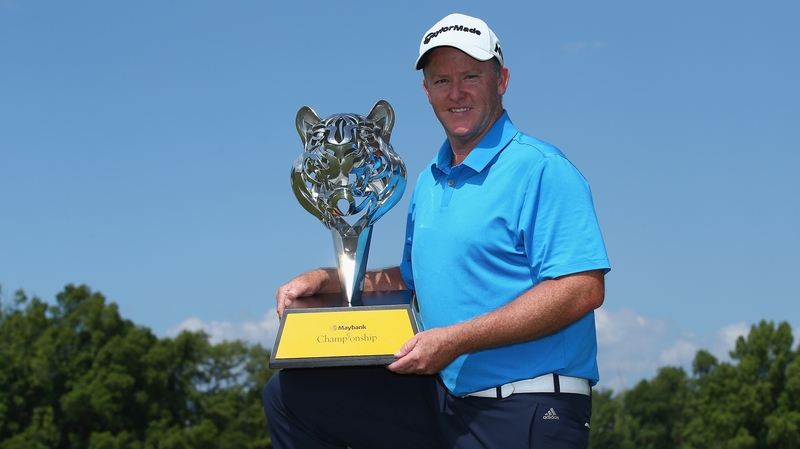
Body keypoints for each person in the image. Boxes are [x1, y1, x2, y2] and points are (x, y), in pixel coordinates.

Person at [263, 13, 610, 449]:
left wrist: (454, 339)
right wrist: (327, 279)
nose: (456, 92)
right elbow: (410, 280)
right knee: (291, 397)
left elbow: (581, 288)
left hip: (530, 405)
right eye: (441, 80)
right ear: (426, 91)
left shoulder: (542, 169)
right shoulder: (430, 179)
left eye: (470, 76)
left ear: (501, 80)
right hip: (445, 401)